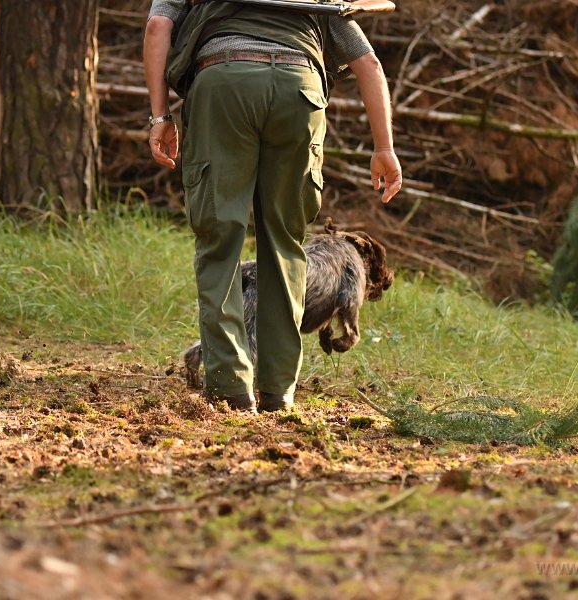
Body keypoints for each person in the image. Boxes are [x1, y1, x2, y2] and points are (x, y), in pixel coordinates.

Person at [143, 0, 402, 413]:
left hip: (223, 83)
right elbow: (368, 63)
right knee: (285, 241)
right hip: (298, 90)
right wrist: (384, 147)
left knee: (220, 239)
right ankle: (278, 390)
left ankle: (229, 387)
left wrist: (159, 116)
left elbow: (159, 27)